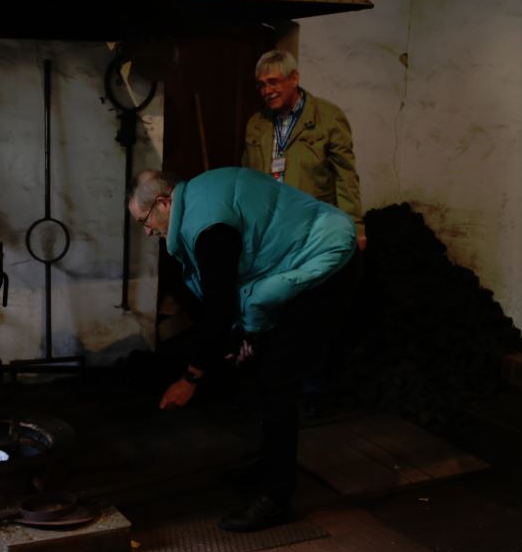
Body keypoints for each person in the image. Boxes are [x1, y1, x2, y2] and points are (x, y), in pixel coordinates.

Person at [128, 167, 359, 531]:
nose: (146, 231)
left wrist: (191, 377)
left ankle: (276, 497)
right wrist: (242, 337)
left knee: (277, 378)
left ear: (163, 203)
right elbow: (239, 286)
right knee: (261, 368)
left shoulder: (208, 227)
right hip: (296, 254)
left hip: (324, 261)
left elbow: (219, 307)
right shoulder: (199, 198)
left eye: (144, 221)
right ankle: (269, 464)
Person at [241, 49, 365, 248]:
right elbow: (248, 179)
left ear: (294, 79)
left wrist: (354, 226)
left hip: (315, 227)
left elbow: (346, 177)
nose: (267, 91)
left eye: (273, 82)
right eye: (262, 85)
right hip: (269, 229)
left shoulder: (328, 118)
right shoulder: (257, 124)